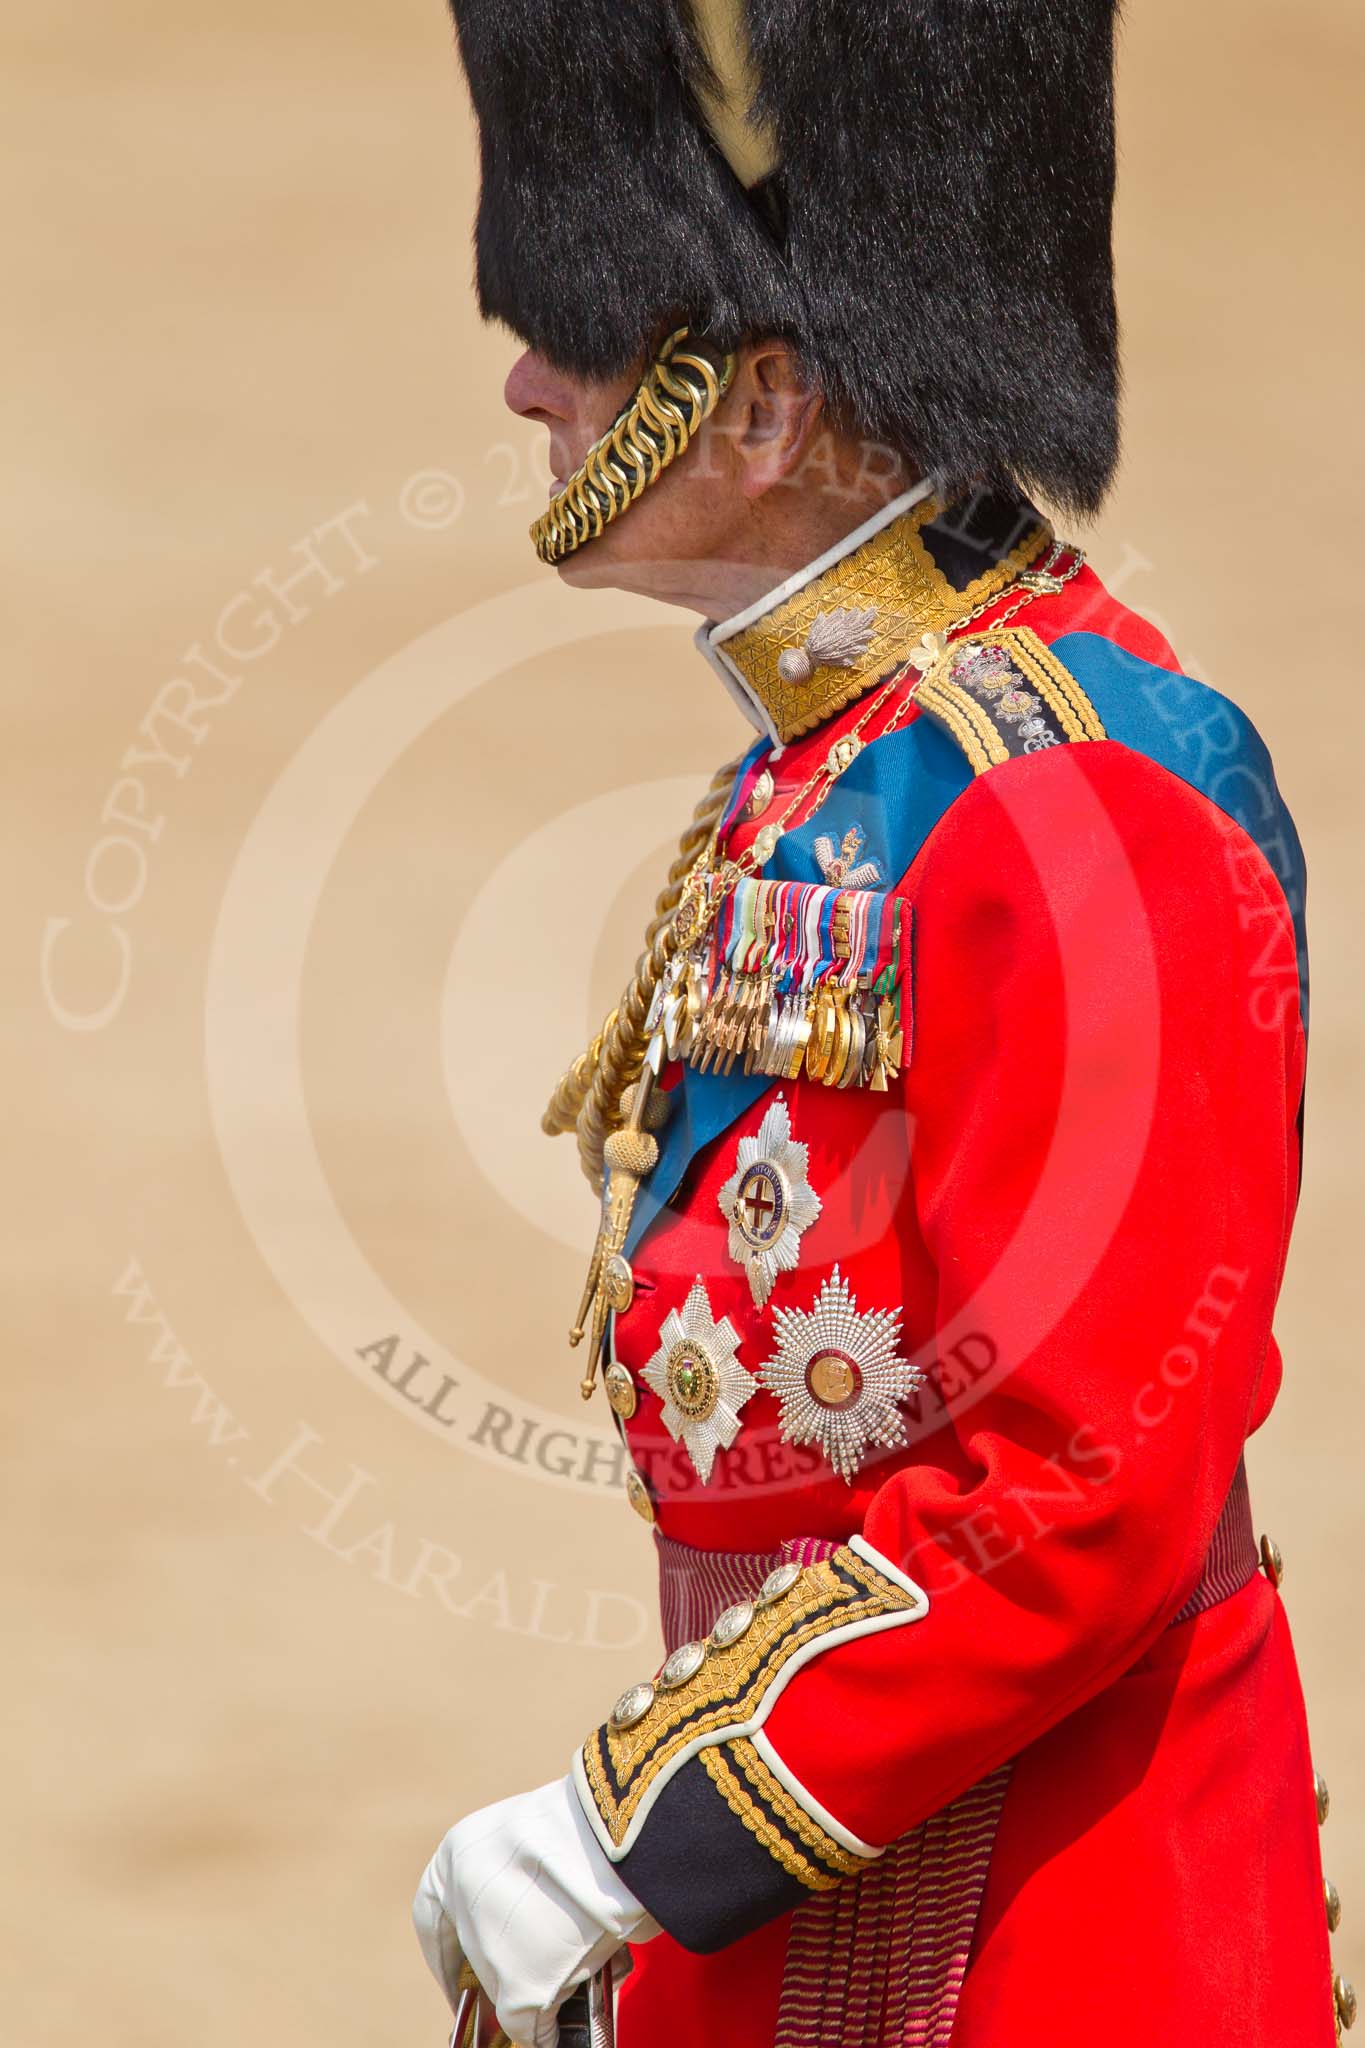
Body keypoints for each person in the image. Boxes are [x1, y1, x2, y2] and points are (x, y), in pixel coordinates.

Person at [411, 3, 1350, 2042]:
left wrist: (624, 1833)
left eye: (585, 331)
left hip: (1051, 1933)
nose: (522, 380)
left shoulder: (1067, 788)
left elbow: (1082, 1482)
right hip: (829, 1874)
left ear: (758, 411)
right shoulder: (840, 764)